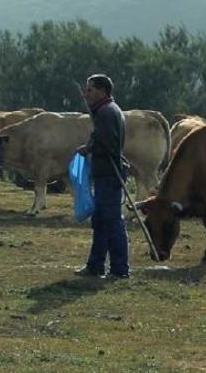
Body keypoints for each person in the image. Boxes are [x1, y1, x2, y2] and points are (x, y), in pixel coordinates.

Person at [74, 74, 130, 279]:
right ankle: (95, 265)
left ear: (102, 91)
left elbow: (109, 145)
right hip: (106, 173)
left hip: (109, 174)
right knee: (100, 221)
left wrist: (88, 148)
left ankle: (119, 269)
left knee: (112, 221)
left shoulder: (106, 113)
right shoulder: (107, 110)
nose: (86, 94)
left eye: (89, 90)